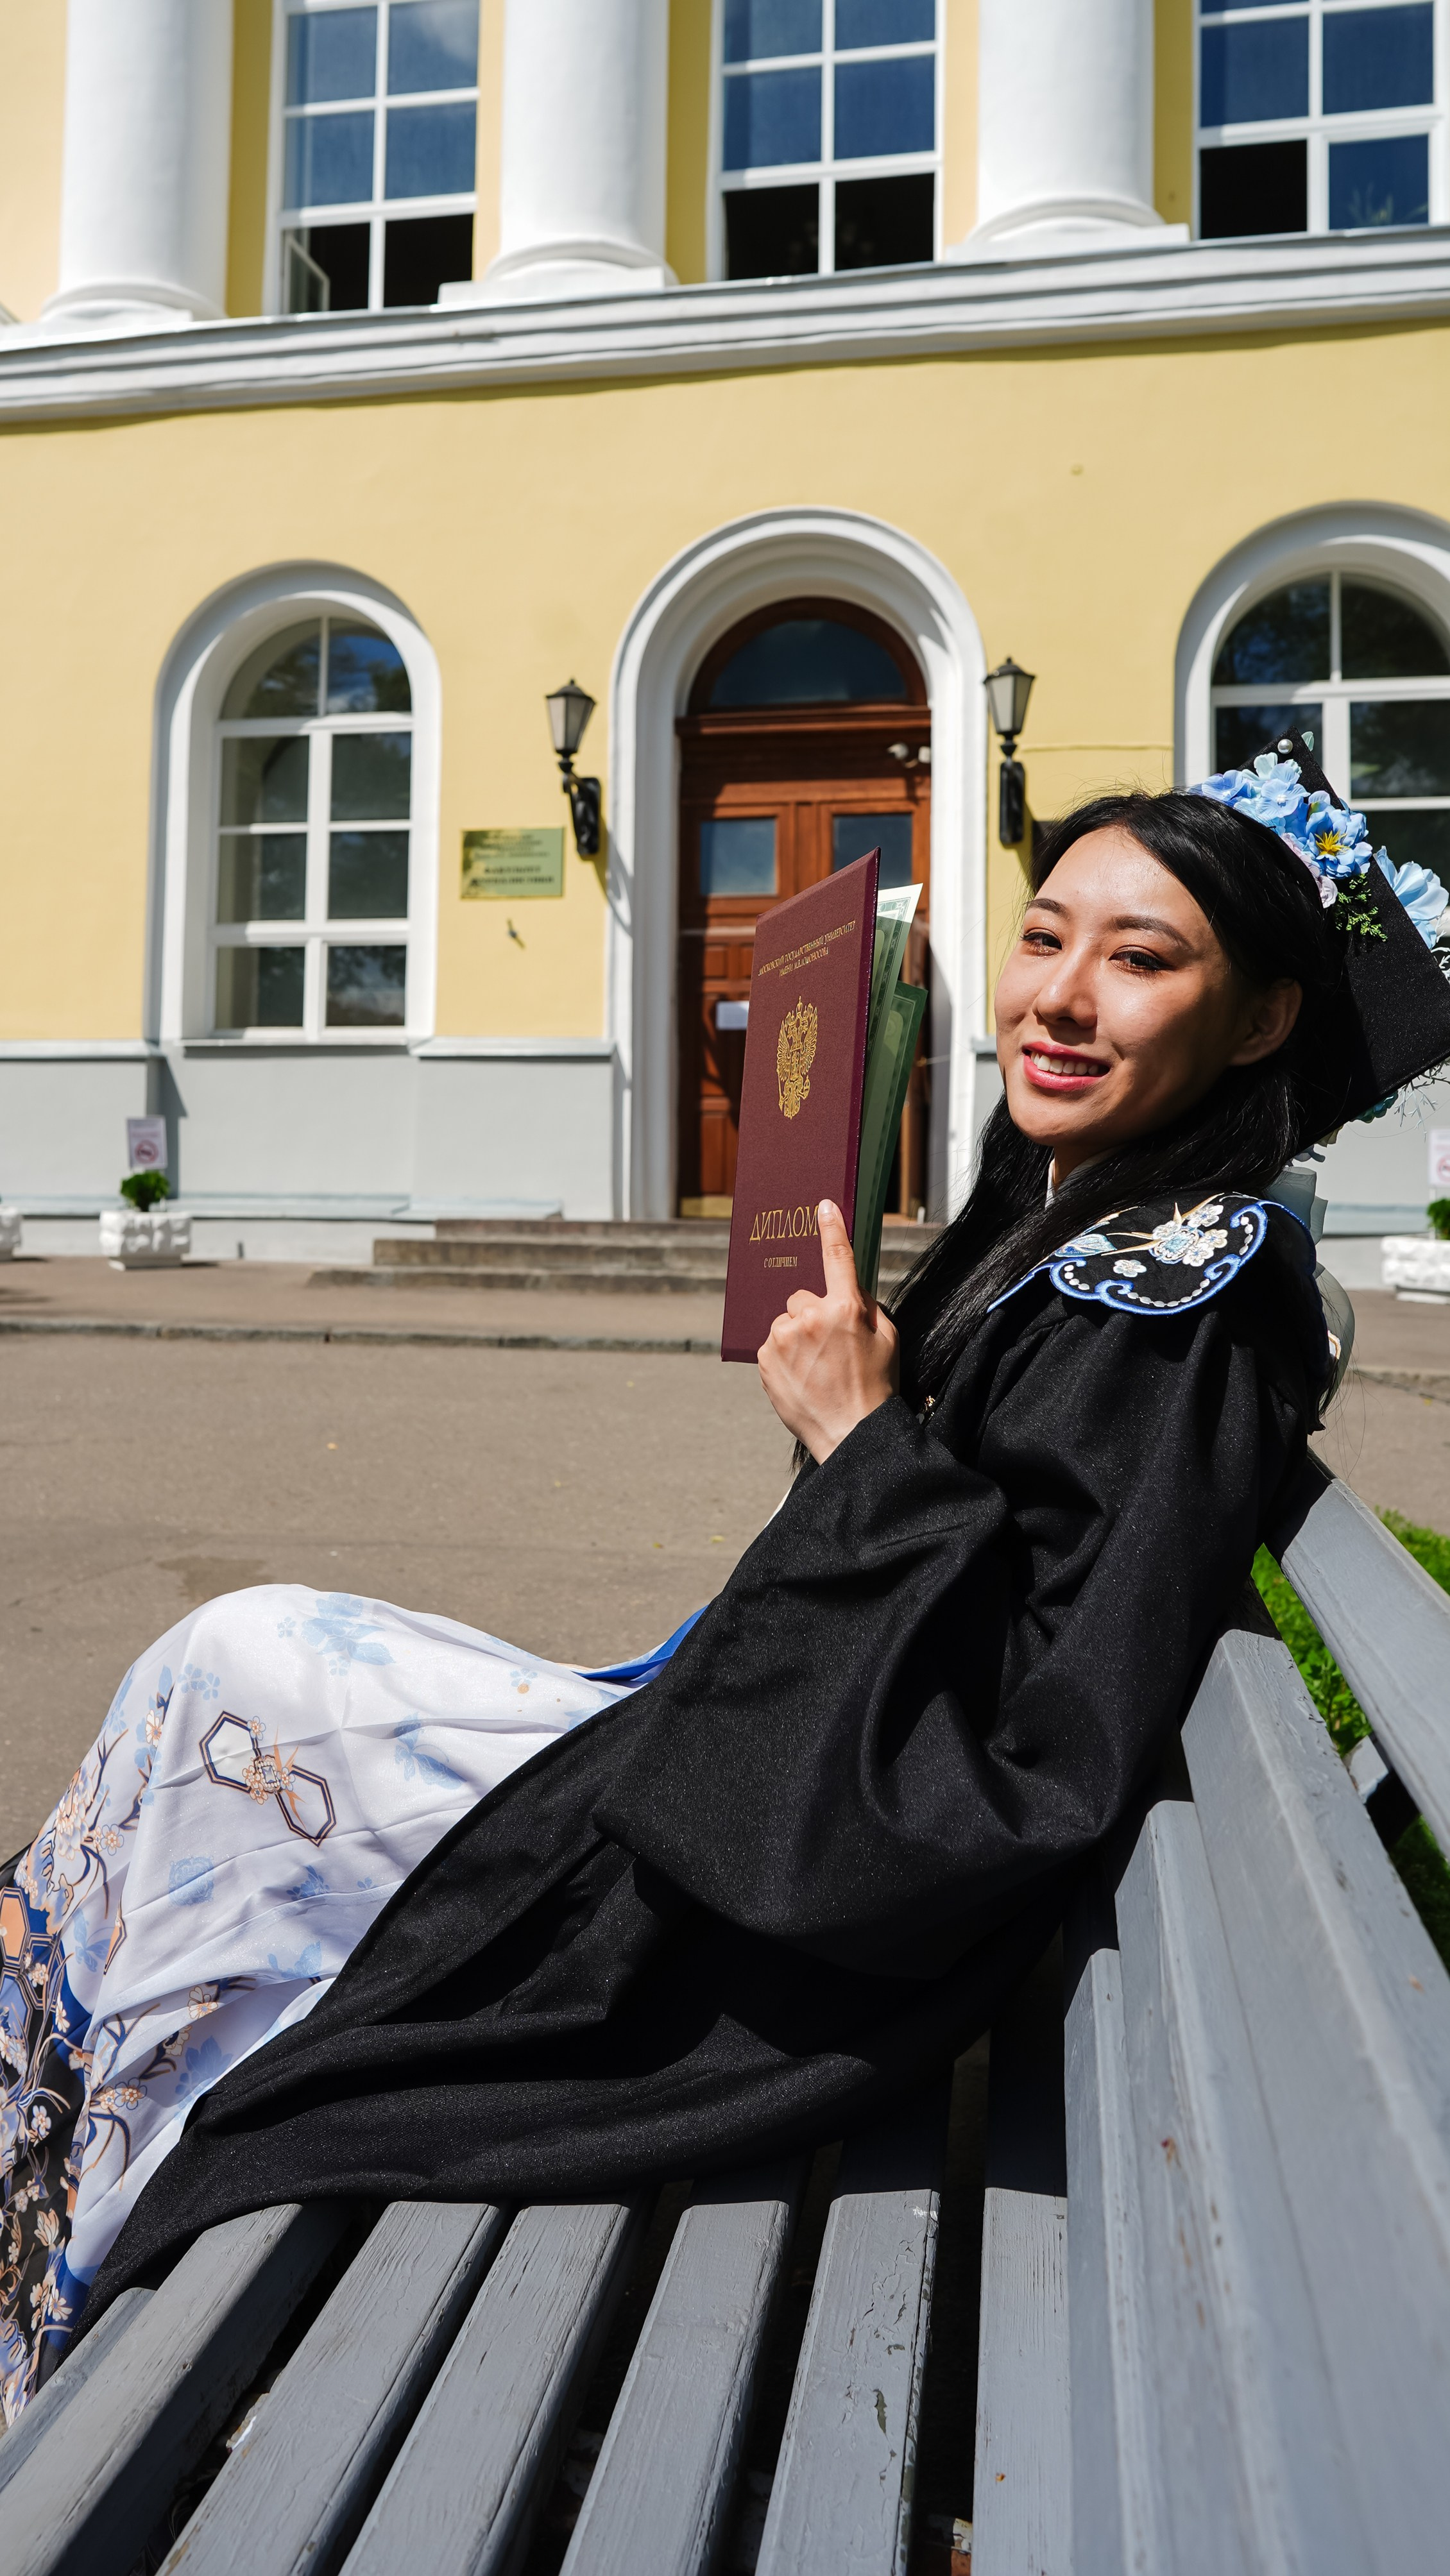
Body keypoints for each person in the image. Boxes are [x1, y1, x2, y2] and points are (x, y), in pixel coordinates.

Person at [5, 733, 1450, 2419]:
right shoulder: (1092, 1228)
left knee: (229, 1683)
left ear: (1261, 1017)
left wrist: (866, 1443)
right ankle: (65, 2190)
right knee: (231, 1674)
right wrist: (886, 1433)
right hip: (758, 1751)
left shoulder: (1173, 1309)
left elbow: (1026, 1765)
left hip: (789, 1873)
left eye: (1139, 960)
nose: (1058, 995)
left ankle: (59, 2252)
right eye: (1045, 935)